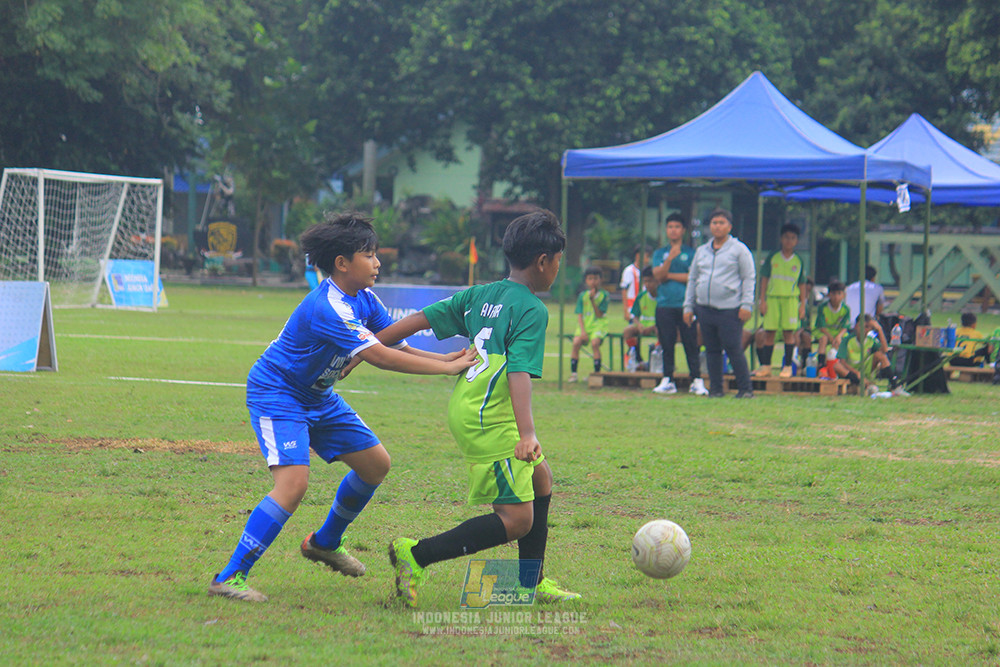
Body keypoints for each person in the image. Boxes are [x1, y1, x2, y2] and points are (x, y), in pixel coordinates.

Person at [207, 213, 477, 603]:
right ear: (342, 263)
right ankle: (229, 577)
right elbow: (381, 358)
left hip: (317, 396)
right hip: (278, 393)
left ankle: (324, 543)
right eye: (369, 255)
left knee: (375, 464)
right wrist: (445, 368)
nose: (378, 263)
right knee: (293, 484)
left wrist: (445, 358)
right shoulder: (328, 307)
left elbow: (394, 344)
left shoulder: (364, 298)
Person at [370, 209, 580, 607]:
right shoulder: (533, 310)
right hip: (489, 416)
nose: (557, 268)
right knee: (518, 520)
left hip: (468, 404)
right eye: (558, 261)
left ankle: (528, 583)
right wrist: (528, 434)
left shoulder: (480, 294)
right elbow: (518, 372)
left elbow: (418, 320)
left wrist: (365, 347)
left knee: (541, 481)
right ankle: (415, 555)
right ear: (543, 262)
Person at [683, 208, 756, 398]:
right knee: (711, 349)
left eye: (721, 223)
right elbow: (693, 279)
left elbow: (748, 278)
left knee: (733, 348)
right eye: (714, 223)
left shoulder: (739, 249)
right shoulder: (702, 251)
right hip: (705, 307)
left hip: (730, 308)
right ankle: (716, 389)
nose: (717, 226)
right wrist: (688, 306)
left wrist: (746, 304)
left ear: (729, 226)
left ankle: (745, 389)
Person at [651, 213, 706, 395]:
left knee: (691, 342)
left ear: (683, 230)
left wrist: (669, 276)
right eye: (670, 227)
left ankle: (696, 379)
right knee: (666, 342)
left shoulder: (692, 253)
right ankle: (668, 379)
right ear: (666, 230)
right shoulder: (660, 253)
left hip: (686, 305)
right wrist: (669, 259)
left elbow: (693, 277)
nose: (673, 230)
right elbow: (658, 276)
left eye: (677, 227)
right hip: (664, 305)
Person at [754, 224, 808, 378]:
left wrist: (802, 304)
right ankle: (766, 366)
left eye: (792, 238)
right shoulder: (773, 257)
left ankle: (788, 366)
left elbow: (802, 283)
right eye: (786, 237)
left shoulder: (798, 260)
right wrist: (762, 300)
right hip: (773, 298)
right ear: (781, 239)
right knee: (769, 332)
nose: (789, 241)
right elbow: (764, 279)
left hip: (790, 300)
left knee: (788, 333)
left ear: (796, 241)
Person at [569, 267, 610, 382]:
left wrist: (592, 300)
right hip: (585, 326)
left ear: (601, 280)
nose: (593, 281)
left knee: (595, 343)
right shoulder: (582, 296)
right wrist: (583, 331)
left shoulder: (604, 295)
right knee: (576, 342)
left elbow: (599, 314)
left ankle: (596, 374)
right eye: (590, 279)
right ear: (586, 281)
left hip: (598, 325)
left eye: (596, 278)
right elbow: (580, 315)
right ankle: (574, 374)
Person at [833, 314, 890, 394]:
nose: (863, 330)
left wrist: (880, 329)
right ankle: (863, 383)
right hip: (851, 372)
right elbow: (842, 361)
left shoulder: (871, 340)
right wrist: (856, 373)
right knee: (837, 366)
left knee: (881, 356)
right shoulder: (847, 340)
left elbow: (884, 350)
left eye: (866, 327)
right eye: (861, 326)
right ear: (856, 326)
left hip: (865, 370)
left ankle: (894, 385)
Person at [814, 280, 852, 379]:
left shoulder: (846, 309)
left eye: (839, 294)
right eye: (833, 294)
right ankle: (821, 365)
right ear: (829, 295)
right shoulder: (823, 307)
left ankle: (840, 366)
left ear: (843, 295)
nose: (836, 297)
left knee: (843, 341)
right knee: (823, 339)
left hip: (838, 332)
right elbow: (821, 327)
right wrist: (831, 338)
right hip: (824, 331)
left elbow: (845, 327)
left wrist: (838, 337)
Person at [623, 266, 658, 367]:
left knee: (661, 331)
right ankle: (636, 357)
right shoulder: (641, 296)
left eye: (650, 281)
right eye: (645, 281)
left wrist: (653, 327)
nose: (647, 284)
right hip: (644, 325)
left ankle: (659, 356)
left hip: (658, 325)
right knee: (628, 331)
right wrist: (638, 325)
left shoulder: (662, 296)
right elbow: (635, 315)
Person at [619, 245, 648, 322]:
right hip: (632, 308)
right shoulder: (629, 270)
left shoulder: (647, 271)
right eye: (646, 256)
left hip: (645, 308)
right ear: (638, 255)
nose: (648, 259)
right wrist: (625, 310)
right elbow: (624, 290)